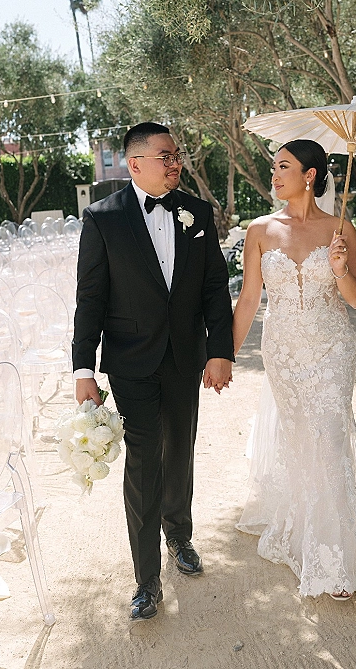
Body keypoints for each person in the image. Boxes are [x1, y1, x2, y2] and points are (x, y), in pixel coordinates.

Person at [72, 122, 234, 621]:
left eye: (177, 155)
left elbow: (213, 287)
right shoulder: (102, 219)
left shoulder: (198, 212)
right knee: (143, 464)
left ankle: (179, 535)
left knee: (180, 448)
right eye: (166, 155)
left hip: (187, 357)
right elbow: (90, 299)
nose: (175, 162)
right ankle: (147, 580)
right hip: (132, 363)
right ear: (134, 162)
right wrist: (83, 369)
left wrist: (220, 350)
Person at [232, 139, 356, 600]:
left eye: (283, 166)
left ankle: (334, 557)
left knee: (329, 438)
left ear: (310, 175)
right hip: (283, 354)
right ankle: (306, 532)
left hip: (332, 351)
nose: (274, 174)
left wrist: (340, 268)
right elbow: (248, 300)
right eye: (274, 166)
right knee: (302, 440)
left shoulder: (342, 229)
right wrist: (223, 355)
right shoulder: (259, 230)